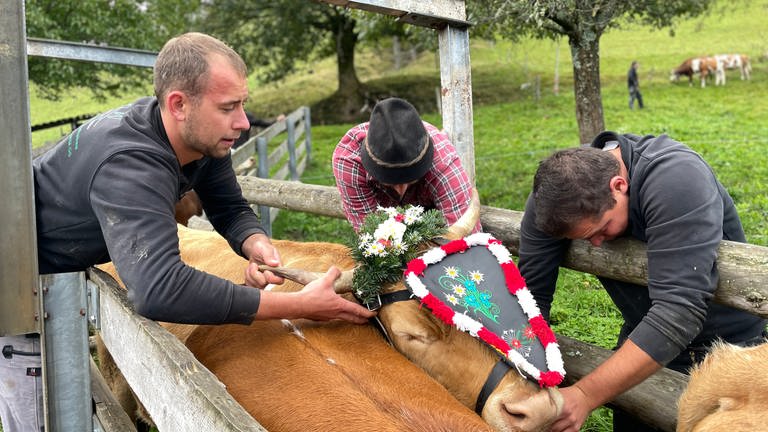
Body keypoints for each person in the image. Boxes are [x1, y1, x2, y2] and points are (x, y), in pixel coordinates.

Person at [0, 32, 374, 432]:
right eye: (228, 107)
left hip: (55, 278)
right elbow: (159, 288)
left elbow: (229, 207)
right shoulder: (132, 164)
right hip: (18, 293)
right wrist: (298, 305)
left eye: (243, 104)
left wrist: (255, 243)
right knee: (43, 415)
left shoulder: (198, 139)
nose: (243, 122)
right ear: (179, 104)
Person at [518, 131, 766, 432]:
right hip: (642, 333)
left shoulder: (676, 179)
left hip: (725, 347)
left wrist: (584, 395)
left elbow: (679, 312)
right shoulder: (555, 196)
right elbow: (530, 297)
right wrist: (526, 375)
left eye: (601, 229)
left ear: (619, 185)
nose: (595, 245)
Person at [332, 97, 480, 232]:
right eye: (389, 181)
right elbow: (371, 234)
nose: (401, 190)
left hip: (435, 226)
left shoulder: (442, 159)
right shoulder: (349, 160)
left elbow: (465, 236)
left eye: (411, 179)